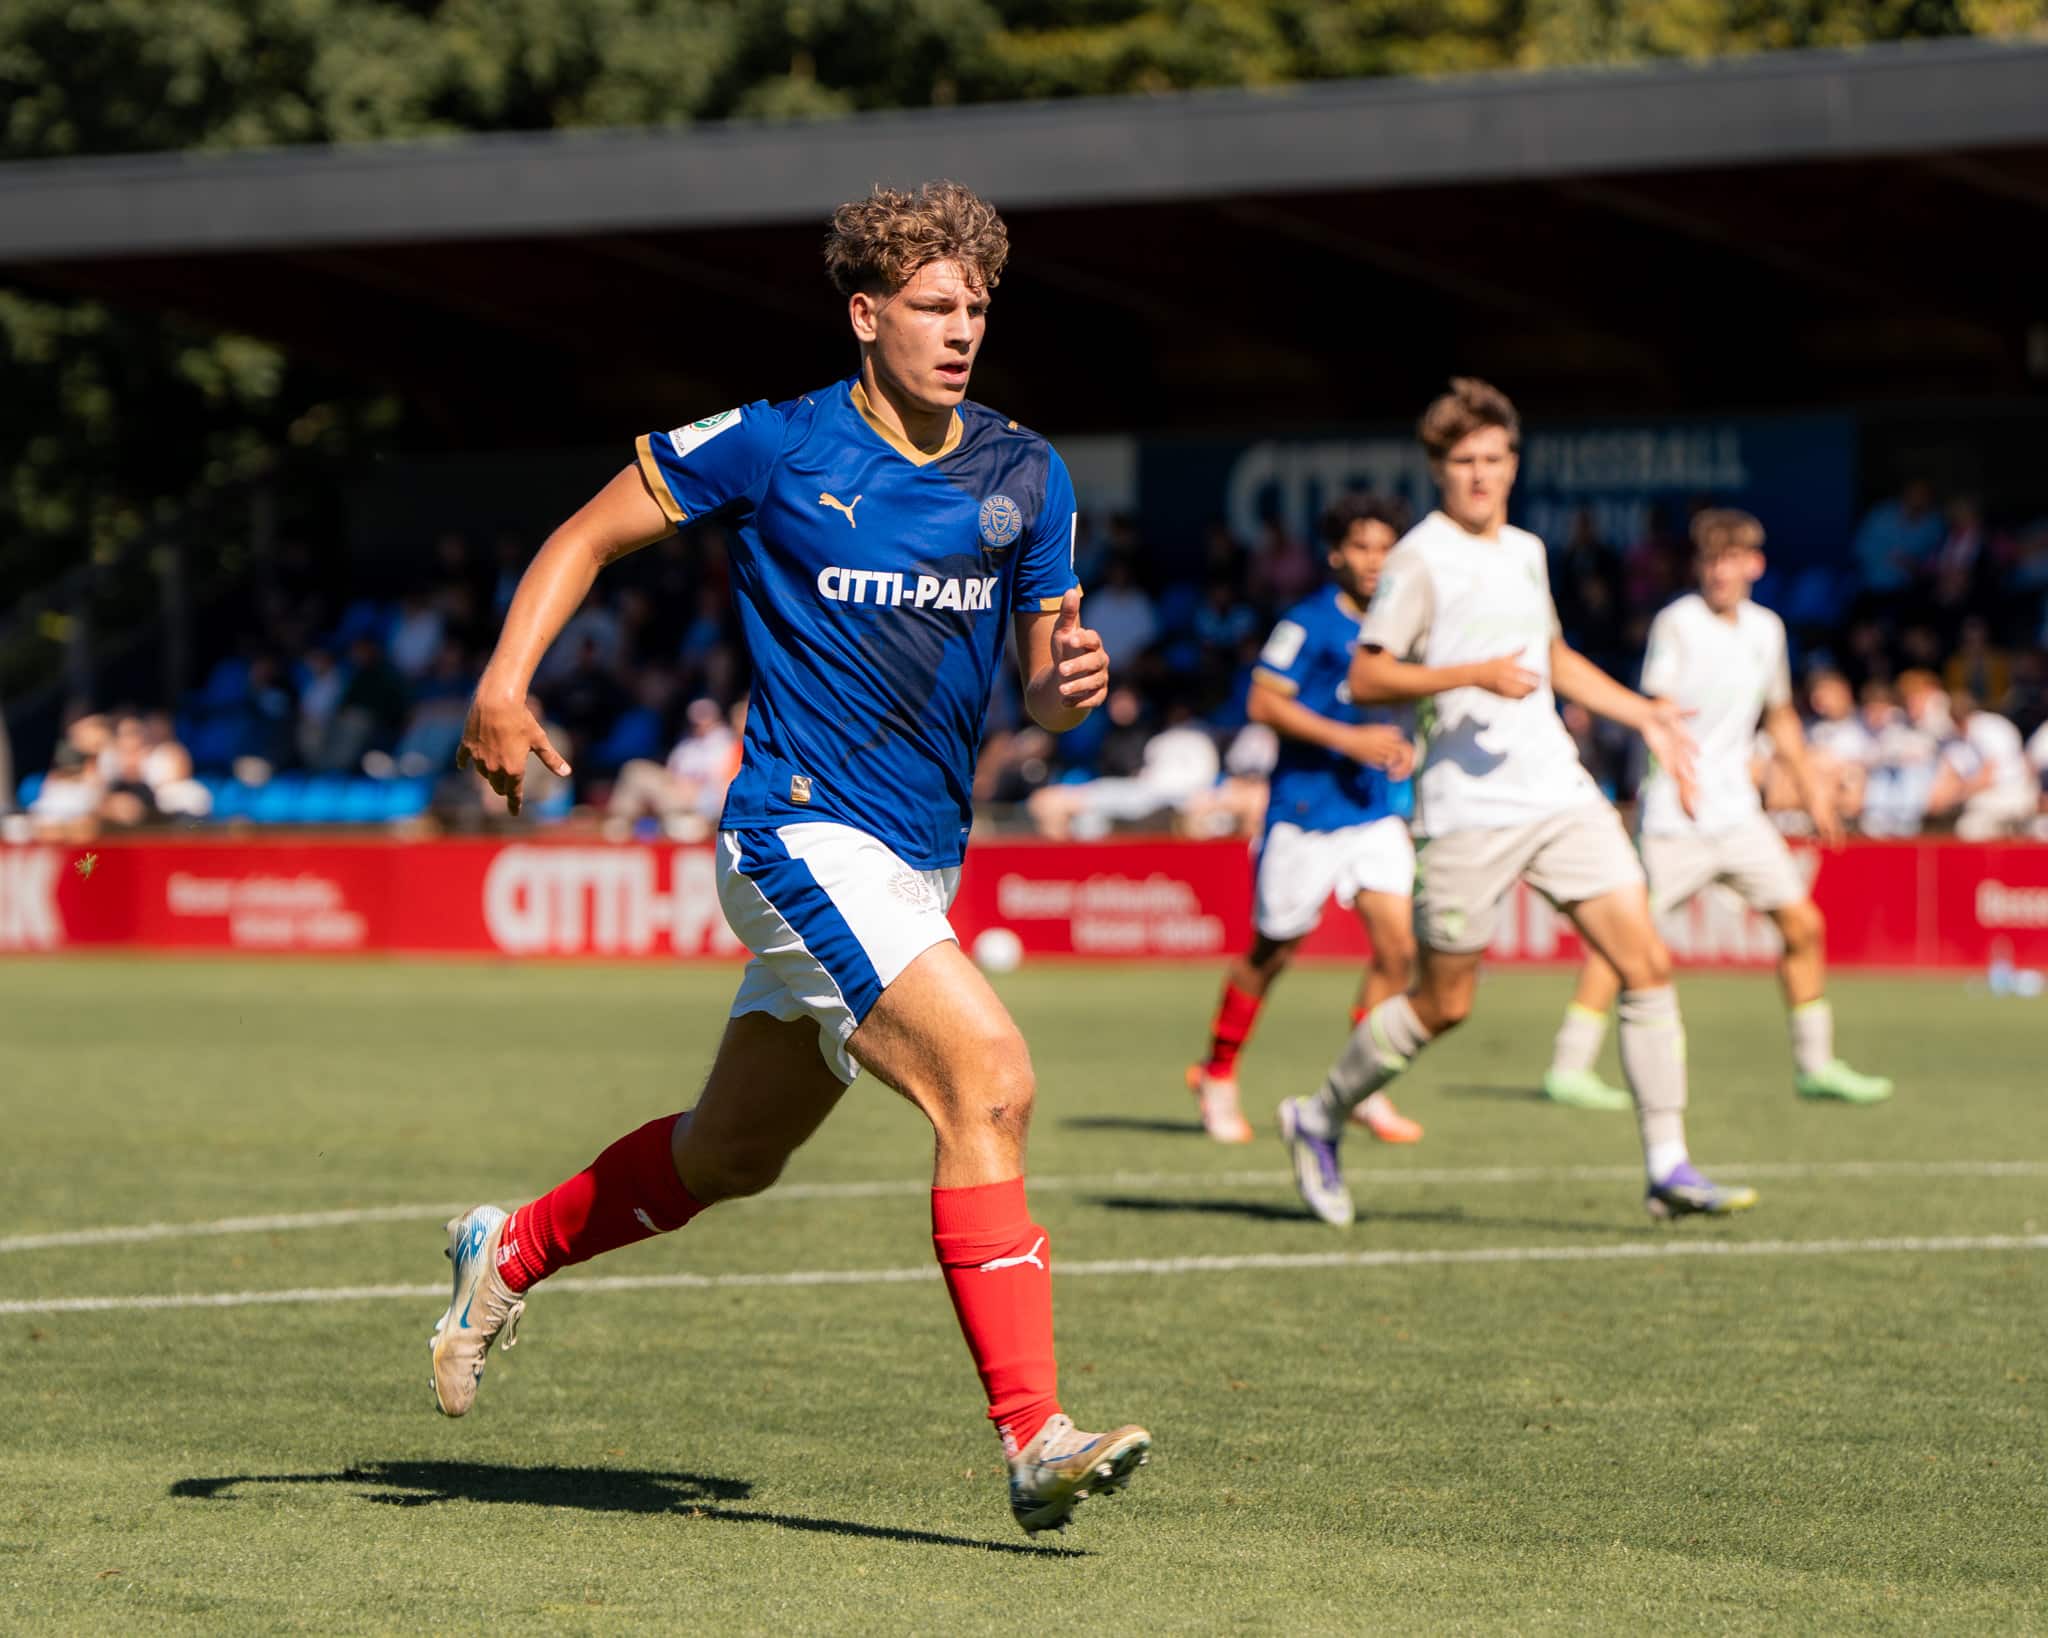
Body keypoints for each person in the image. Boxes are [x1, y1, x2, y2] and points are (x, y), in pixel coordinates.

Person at [435, 181, 1148, 1536]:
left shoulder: (1026, 473)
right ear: (866, 315)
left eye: (977, 308)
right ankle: (1033, 1434)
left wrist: (1070, 690)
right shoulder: (774, 442)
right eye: (933, 306)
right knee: (988, 1081)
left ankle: (507, 1247)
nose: (961, 330)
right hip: (798, 833)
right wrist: (503, 682)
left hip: (918, 863)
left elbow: (1047, 690)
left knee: (728, 1155)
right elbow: (586, 533)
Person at [1276, 378, 1755, 1225]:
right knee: (1444, 1004)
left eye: (1494, 458)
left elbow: (1553, 656)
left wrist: (1642, 713)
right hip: (1466, 810)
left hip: (1560, 792)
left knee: (1646, 963)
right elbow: (1368, 675)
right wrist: (1474, 674)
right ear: (1438, 468)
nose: (1481, 474)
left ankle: (1668, 1165)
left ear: (1513, 463)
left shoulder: (1528, 550)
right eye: (1464, 460)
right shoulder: (1420, 557)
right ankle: (1319, 1117)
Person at [1539, 510, 1892, 1111]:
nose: (1719, 572)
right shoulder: (1678, 622)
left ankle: (1815, 1065)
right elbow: (1659, 710)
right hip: (1676, 818)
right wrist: (1677, 772)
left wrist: (1810, 787)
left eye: (1730, 560)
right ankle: (1568, 1067)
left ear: (1754, 564)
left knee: (1803, 926)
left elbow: (1779, 714)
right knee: (1625, 937)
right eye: (1709, 560)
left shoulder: (1767, 630)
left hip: (1738, 817)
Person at [1186, 494, 1421, 1147]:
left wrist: (1404, 743)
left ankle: (1363, 1086)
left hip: (1372, 813)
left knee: (1399, 950)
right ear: (1337, 554)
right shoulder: (1308, 622)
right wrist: (1351, 741)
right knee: (1273, 952)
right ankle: (1217, 1073)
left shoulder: (1401, 626)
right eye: (1363, 547)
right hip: (1304, 812)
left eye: (1386, 548)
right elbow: (1263, 703)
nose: (1375, 560)